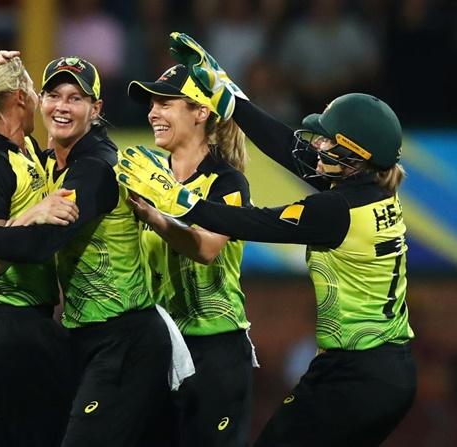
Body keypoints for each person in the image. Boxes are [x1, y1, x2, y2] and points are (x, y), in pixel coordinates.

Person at [117, 33, 416, 447]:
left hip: (354, 374)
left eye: (330, 141)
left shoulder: (334, 211)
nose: (320, 145)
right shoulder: (373, 187)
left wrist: (177, 199)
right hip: (389, 370)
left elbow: (252, 222)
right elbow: (287, 145)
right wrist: (227, 94)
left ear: (355, 154)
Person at [0, 55, 173, 447]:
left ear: (96, 109)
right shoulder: (49, 162)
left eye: (76, 98)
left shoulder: (95, 167)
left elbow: (41, 243)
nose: (62, 106)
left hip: (125, 338)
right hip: (83, 336)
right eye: (54, 95)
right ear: (34, 100)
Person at [125, 63, 255, 446]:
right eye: (152, 103)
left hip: (215, 348)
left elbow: (208, 248)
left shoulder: (227, 181)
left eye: (166, 103)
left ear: (201, 112)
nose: (153, 112)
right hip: (160, 346)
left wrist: (157, 215)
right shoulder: (143, 173)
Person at [0, 54, 75, 446]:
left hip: (12, 327)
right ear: (21, 98)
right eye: (37, 91)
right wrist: (34, 214)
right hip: (5, 327)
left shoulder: (25, 151)